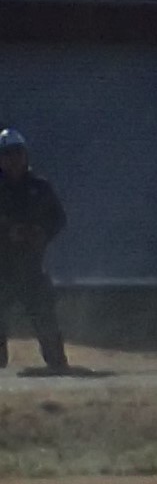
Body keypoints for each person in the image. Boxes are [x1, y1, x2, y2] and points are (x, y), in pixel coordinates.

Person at [0, 131, 68, 373]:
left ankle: (57, 364)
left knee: (44, 313)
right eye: (7, 154)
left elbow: (58, 218)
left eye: (18, 153)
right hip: (1, 268)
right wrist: (8, 232)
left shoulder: (40, 187)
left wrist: (42, 232)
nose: (14, 159)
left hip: (31, 266)